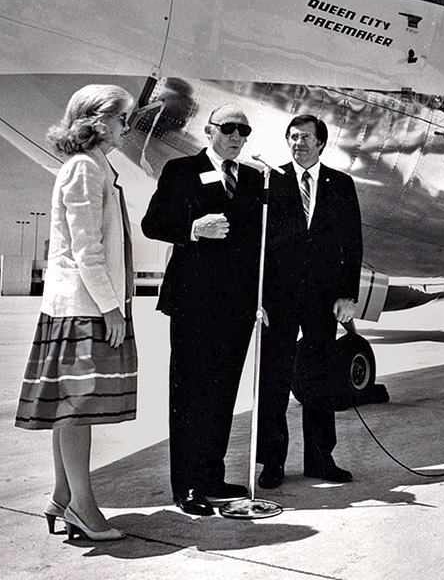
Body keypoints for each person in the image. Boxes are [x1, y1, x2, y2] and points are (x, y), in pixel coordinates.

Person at [14, 83, 137, 542]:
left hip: (78, 306)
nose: (127, 128)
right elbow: (87, 250)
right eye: (122, 119)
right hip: (82, 308)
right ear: (100, 122)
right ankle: (85, 508)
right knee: (78, 412)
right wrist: (112, 308)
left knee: (70, 410)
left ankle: (62, 496)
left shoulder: (94, 167)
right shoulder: (85, 169)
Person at [141, 103, 262, 515]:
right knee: (190, 393)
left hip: (238, 307)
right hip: (194, 303)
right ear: (209, 131)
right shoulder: (180, 170)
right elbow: (152, 224)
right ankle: (187, 485)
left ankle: (212, 474)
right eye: (229, 128)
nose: (236, 137)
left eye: (243, 131)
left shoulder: (253, 178)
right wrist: (193, 229)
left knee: (223, 393)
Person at [257, 114, 363, 489]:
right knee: (274, 381)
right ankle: (272, 462)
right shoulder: (271, 181)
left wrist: (348, 296)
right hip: (279, 301)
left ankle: (320, 458)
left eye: (305, 137)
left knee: (320, 379)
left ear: (321, 143)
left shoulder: (342, 185)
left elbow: (352, 246)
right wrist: (260, 299)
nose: (298, 142)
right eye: (293, 137)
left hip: (322, 301)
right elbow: (261, 246)